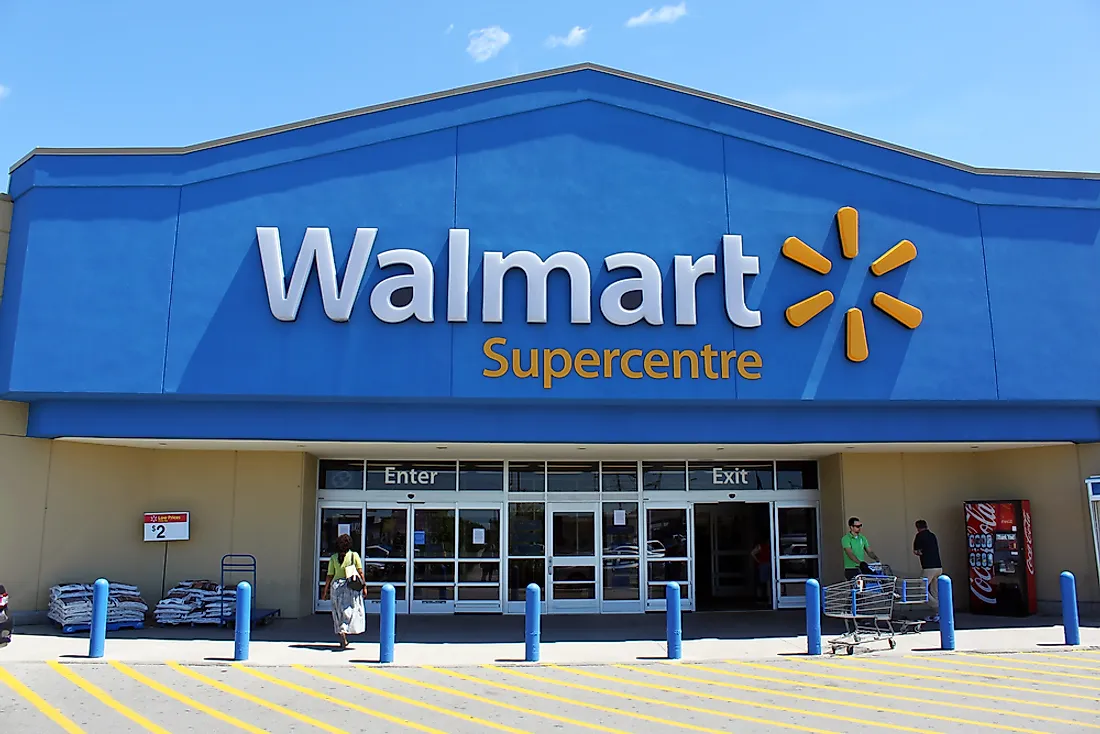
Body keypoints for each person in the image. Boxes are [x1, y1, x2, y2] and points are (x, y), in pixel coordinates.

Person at [322, 533, 366, 649]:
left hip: (336, 587)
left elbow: (329, 576)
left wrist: (325, 591)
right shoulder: (354, 555)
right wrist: (365, 587)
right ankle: (345, 629)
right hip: (349, 587)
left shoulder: (333, 558)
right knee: (350, 610)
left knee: (338, 612)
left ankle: (341, 633)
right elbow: (360, 573)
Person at [913, 519, 942, 622]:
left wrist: (920, 553)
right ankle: (937, 615)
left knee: (922, 589)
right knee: (935, 591)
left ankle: (938, 608)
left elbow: (917, 551)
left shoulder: (919, 536)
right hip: (938, 566)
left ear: (917, 527)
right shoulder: (932, 535)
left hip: (928, 567)